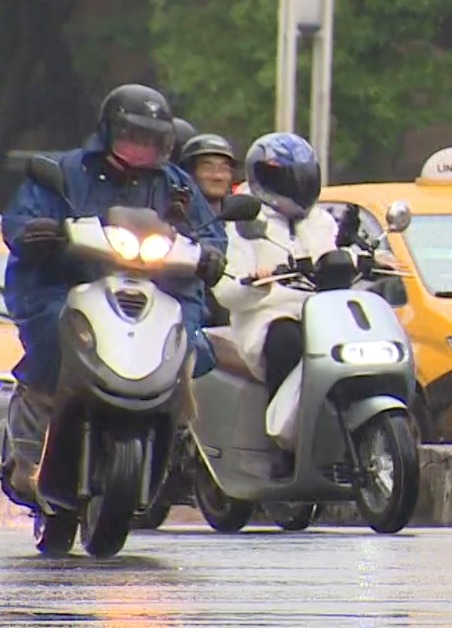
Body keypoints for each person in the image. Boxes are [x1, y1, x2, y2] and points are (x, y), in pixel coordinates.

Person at [0, 84, 228, 504]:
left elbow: (209, 234)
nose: (141, 149)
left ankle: (176, 440)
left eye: (151, 140)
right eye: (131, 137)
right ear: (107, 132)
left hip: (158, 291)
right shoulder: (65, 171)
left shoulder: (176, 185)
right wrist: (36, 231)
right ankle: (30, 442)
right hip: (66, 284)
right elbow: (20, 218)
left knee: (192, 346)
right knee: (55, 335)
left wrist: (212, 254)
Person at [210, 132, 336, 408]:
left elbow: (337, 256)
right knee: (287, 341)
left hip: (322, 314)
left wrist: (370, 258)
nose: (298, 187)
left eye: (304, 178)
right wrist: (256, 283)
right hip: (266, 317)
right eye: (288, 179)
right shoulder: (243, 221)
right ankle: (286, 432)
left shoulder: (323, 221)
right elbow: (225, 290)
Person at [179, 133, 239, 326]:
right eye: (208, 167)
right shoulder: (176, 215)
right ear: (190, 172)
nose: (217, 176)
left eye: (224, 168)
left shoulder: (244, 218)